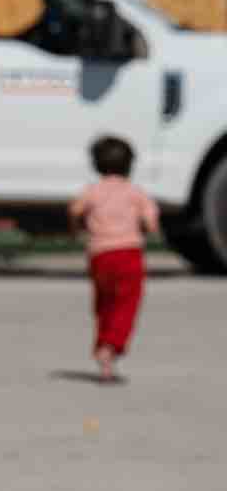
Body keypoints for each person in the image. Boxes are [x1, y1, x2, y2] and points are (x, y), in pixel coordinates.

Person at [69, 136, 158, 382]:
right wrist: (145, 229)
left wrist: (78, 228)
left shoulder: (93, 191)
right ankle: (110, 347)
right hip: (129, 254)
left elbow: (75, 210)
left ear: (96, 165)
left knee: (104, 303)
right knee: (127, 303)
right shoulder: (135, 192)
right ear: (130, 165)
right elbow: (151, 221)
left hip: (99, 255)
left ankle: (103, 349)